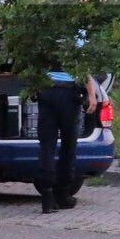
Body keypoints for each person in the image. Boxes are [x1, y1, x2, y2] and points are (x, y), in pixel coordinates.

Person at [33, 66, 89, 214]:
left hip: (46, 91)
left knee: (46, 146)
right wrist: (92, 95)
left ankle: (47, 196)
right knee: (68, 145)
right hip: (69, 94)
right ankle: (63, 194)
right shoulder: (78, 41)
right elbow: (84, 68)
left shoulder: (44, 42)